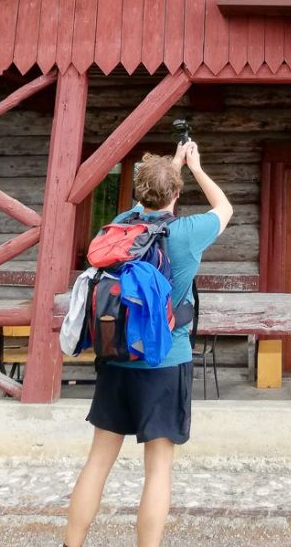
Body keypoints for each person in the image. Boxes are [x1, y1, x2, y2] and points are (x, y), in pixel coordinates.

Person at [64, 139, 232, 547]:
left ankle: (71, 544)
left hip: (115, 358)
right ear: (177, 194)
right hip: (165, 362)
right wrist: (193, 166)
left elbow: (147, 203)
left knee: (98, 461)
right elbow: (225, 208)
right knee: (158, 469)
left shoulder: (123, 227)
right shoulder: (188, 234)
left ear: (138, 194)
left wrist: (169, 167)